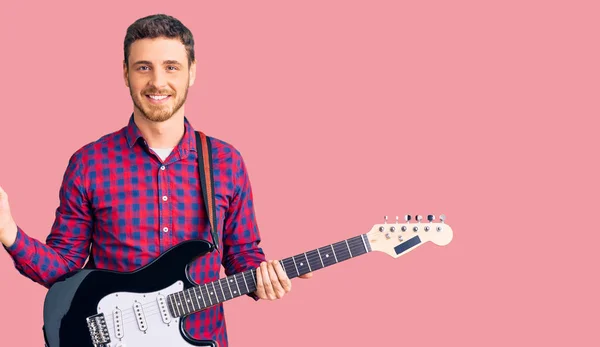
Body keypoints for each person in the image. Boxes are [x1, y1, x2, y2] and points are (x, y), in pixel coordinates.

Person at [0, 13, 310, 346]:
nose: (157, 82)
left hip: (202, 339)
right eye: (143, 67)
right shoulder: (89, 163)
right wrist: (8, 231)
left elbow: (242, 257)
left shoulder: (225, 162)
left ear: (192, 72)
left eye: (172, 67)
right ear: (125, 73)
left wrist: (265, 278)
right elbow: (64, 272)